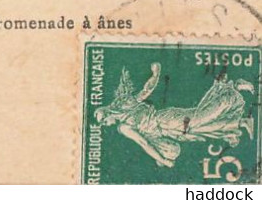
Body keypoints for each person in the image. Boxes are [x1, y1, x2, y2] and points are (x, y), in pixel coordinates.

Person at [95, 64, 255, 168]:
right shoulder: (123, 119)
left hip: (166, 120)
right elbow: (148, 140)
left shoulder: (124, 124)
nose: (105, 124)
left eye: (103, 121)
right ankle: (239, 123)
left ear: (108, 113)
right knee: (200, 128)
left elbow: (144, 142)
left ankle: (232, 88)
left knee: (200, 118)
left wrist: (156, 75)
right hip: (167, 130)